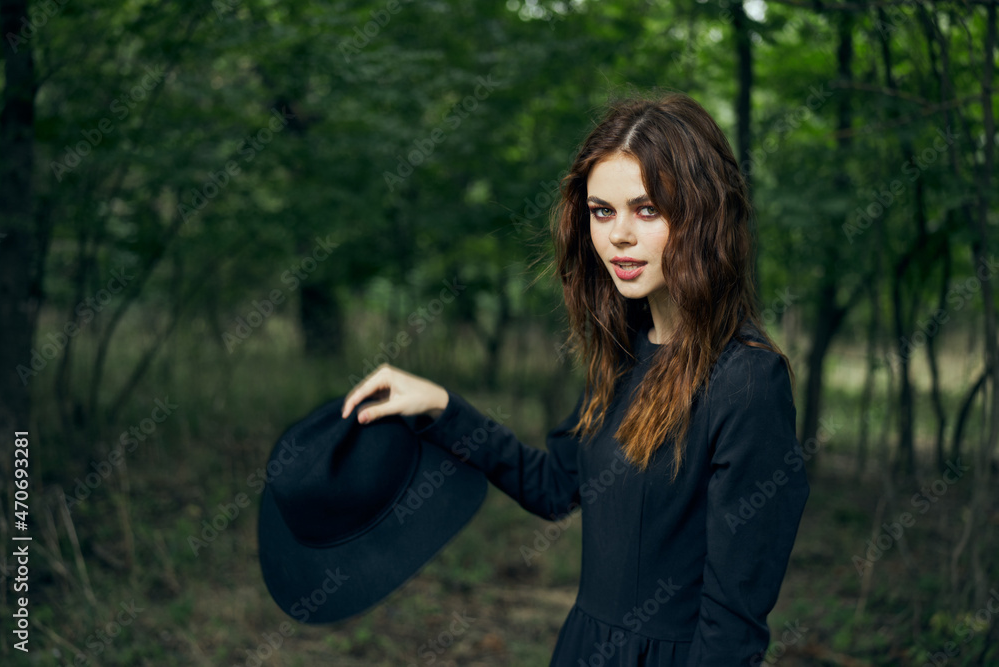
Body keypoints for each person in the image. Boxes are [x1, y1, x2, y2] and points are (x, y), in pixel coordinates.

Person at [341, 92, 810, 666]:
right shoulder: (624, 353)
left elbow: (734, 625)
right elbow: (554, 486)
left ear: (705, 215)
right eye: (601, 211)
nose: (618, 235)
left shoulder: (748, 381)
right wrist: (442, 406)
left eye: (647, 209)